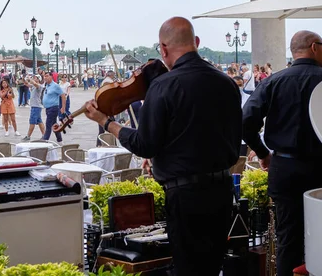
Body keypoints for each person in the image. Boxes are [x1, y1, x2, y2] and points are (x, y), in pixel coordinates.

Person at [84, 17, 241, 275]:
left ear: (164, 49)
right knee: (211, 268)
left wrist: (106, 122)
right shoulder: (226, 83)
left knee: (187, 269)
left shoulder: (164, 85)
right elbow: (229, 139)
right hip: (222, 191)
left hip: (186, 196)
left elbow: (144, 145)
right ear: (197, 43)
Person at [243, 30, 322, 275]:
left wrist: (263, 152)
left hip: (285, 168)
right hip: (320, 168)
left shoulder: (273, 81)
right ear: (314, 47)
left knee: (288, 238)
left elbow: (245, 122)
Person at [42, 72, 66, 143]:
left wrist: (63, 107)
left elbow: (63, 96)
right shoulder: (47, 85)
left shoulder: (55, 86)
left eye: (47, 76)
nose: (45, 78)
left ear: (51, 77)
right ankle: (59, 139)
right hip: (48, 108)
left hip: (53, 107)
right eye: (44, 76)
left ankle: (45, 139)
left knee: (48, 123)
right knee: (54, 124)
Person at [22, 74, 45, 141]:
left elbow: (34, 83)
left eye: (36, 78)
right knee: (39, 121)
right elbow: (27, 84)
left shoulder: (39, 86)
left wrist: (30, 79)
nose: (34, 78)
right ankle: (44, 135)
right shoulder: (33, 86)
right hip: (35, 106)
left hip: (36, 106)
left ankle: (28, 136)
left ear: (38, 79)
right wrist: (23, 78)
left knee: (32, 122)